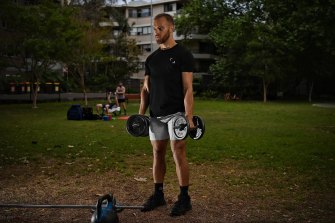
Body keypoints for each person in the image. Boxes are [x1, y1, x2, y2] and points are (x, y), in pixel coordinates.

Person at [139, 13, 195, 217]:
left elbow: (188, 88)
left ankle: (184, 198)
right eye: (154, 29)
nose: (156, 32)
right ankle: (158, 194)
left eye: (160, 28)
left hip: (177, 114)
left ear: (171, 28)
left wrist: (189, 116)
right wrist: (140, 116)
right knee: (157, 153)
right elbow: (145, 90)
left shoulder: (183, 55)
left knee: (178, 151)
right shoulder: (151, 59)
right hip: (156, 114)